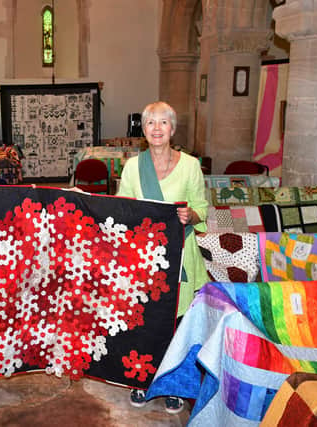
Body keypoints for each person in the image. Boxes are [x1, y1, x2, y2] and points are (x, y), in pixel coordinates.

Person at [116, 101, 209, 412]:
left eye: (163, 123)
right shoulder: (132, 167)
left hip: (182, 257)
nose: (157, 129)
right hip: (143, 258)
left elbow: (203, 209)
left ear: (172, 128)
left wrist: (190, 214)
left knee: (177, 324)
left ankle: (175, 385)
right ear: (143, 130)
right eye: (150, 123)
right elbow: (122, 209)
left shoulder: (191, 165)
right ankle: (143, 379)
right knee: (145, 322)